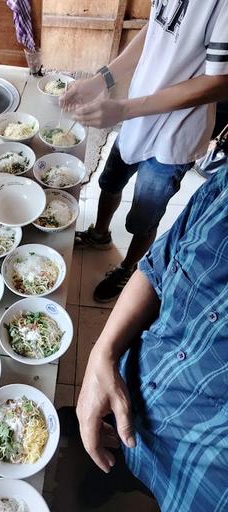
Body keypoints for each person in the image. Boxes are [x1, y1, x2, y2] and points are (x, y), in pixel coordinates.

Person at [76, 163, 228, 512]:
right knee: (97, 471)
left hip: (192, 487)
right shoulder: (223, 188)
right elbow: (158, 266)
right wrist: (103, 354)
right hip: (125, 389)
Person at [60, 0, 228, 302]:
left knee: (145, 213)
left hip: (175, 133)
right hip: (136, 114)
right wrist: (103, 79)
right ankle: (100, 235)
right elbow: (156, 26)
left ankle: (128, 267)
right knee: (109, 182)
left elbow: (220, 82)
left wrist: (125, 108)